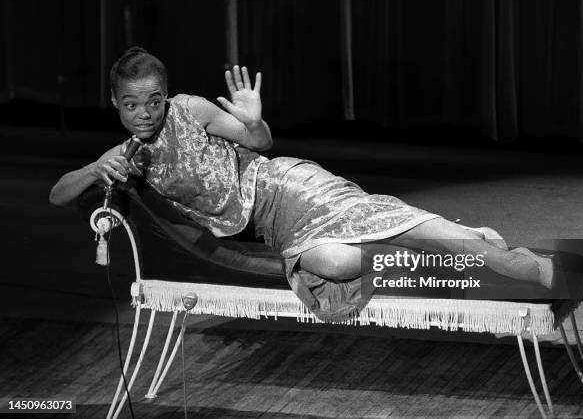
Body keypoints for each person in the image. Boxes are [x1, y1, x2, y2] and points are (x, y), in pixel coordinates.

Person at [49, 47, 555, 321]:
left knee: (387, 222)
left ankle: (525, 265)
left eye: (152, 100)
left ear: (164, 95)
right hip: (274, 229)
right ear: (115, 103)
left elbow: (263, 143)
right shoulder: (125, 157)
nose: (144, 113)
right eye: (132, 104)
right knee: (332, 265)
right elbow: (58, 194)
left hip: (289, 186)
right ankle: (473, 242)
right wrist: (96, 169)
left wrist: (251, 123)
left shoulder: (191, 110)